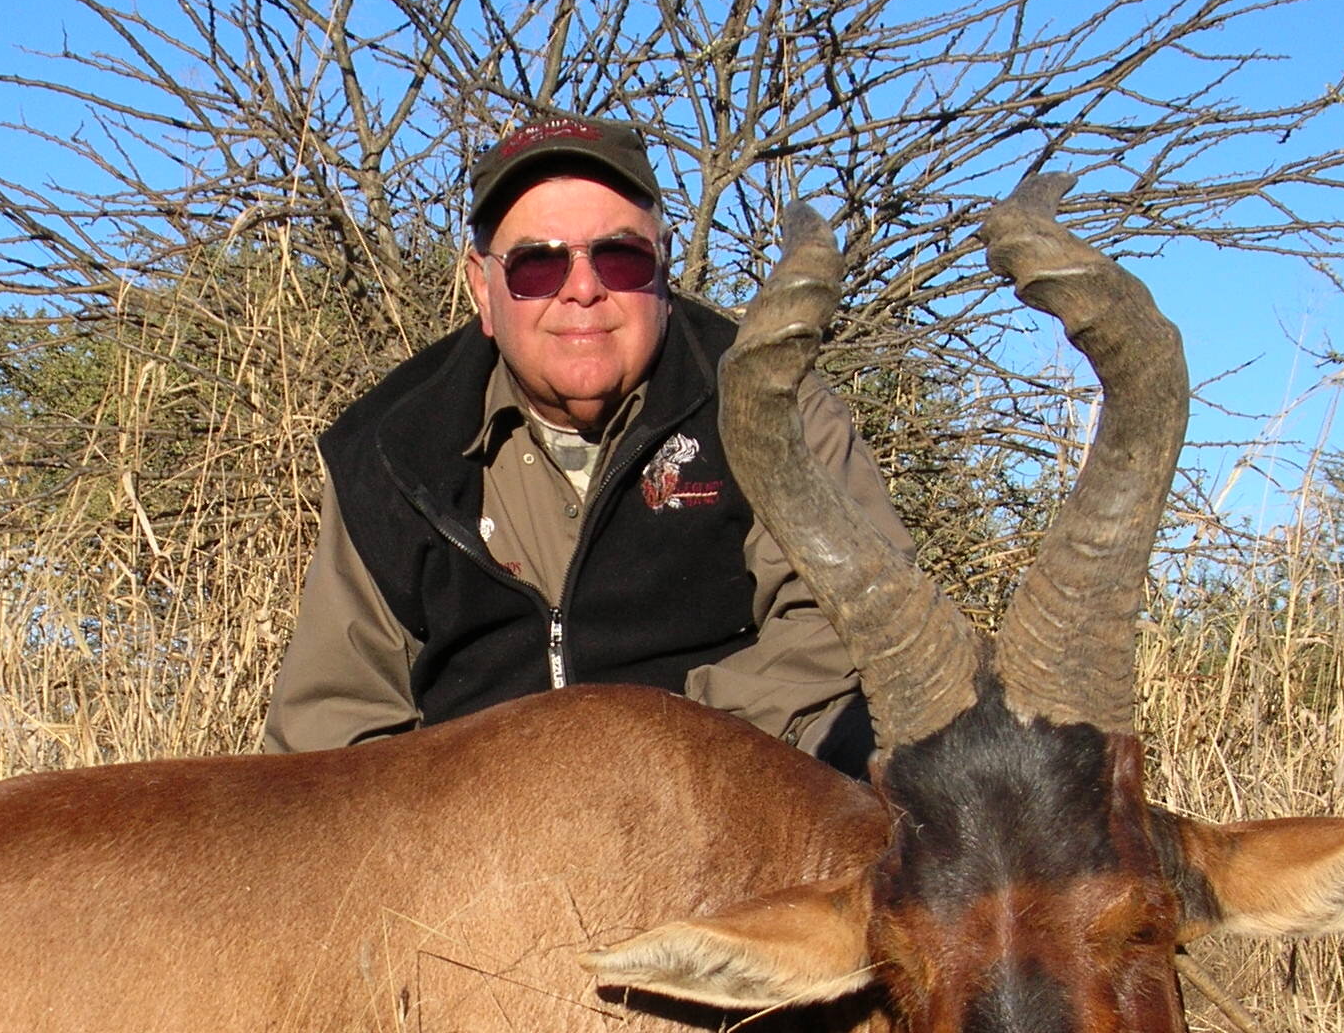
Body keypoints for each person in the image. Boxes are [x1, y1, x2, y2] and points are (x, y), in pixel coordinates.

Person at [262, 111, 911, 770]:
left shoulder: (770, 404)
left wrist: (646, 770)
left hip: (737, 799)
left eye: (619, 258)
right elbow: (331, 724)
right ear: (481, 289)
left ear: (663, 262)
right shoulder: (391, 450)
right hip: (480, 842)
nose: (582, 289)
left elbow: (847, 626)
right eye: (536, 267)